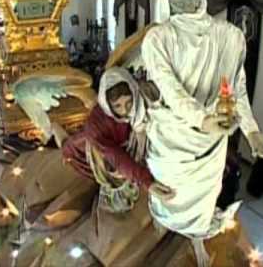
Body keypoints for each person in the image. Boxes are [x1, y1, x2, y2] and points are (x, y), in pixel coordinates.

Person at [141, 0, 263, 266]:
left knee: (202, 202)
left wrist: (252, 132)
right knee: (168, 196)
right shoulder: (158, 37)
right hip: (173, 137)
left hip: (211, 140)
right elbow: (170, 89)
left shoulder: (228, 35)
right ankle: (159, 231)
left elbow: (236, 89)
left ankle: (197, 239)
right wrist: (202, 119)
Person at [51, 67, 174, 213]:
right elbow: (116, 157)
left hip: (124, 143)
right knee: (68, 148)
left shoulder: (142, 97)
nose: (125, 111)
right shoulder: (95, 127)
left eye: (129, 103)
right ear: (107, 104)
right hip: (100, 149)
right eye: (117, 106)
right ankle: (53, 125)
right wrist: (146, 181)